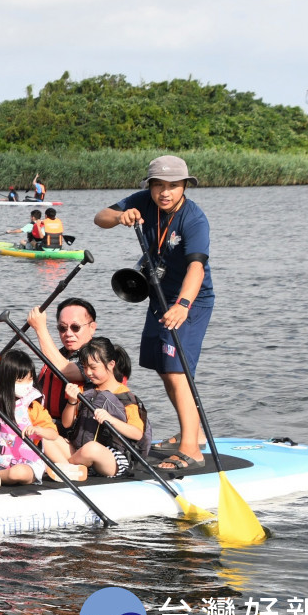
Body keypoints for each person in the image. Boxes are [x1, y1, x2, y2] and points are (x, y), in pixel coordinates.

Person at [93, 155, 212, 471]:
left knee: (177, 371)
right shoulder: (142, 201)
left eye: (173, 185)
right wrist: (120, 217)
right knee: (163, 367)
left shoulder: (194, 219)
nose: (165, 192)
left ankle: (191, 449)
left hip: (191, 300)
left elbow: (197, 269)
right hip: (159, 294)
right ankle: (195, 433)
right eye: (158, 185)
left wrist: (183, 305)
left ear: (185, 185)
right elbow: (99, 217)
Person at [0, 350, 82, 489]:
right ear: (5, 380)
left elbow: (53, 434)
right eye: (20, 380)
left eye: (30, 379)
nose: (27, 384)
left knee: (18, 473)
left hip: (25, 463)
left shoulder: (32, 406)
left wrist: (39, 430)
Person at [61, 338, 152, 477]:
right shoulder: (85, 390)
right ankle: (75, 467)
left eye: (93, 367)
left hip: (112, 458)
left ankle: (65, 467)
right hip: (80, 451)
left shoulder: (126, 398)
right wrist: (72, 400)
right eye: (85, 367)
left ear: (111, 364)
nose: (88, 372)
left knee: (91, 449)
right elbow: (66, 424)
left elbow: (137, 433)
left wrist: (111, 419)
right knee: (49, 437)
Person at [27, 298, 99, 429]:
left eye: (75, 327)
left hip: (82, 429)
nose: (68, 334)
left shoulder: (99, 356)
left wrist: (40, 328)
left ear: (92, 327)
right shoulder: (58, 355)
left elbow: (63, 370)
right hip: (47, 424)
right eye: (62, 328)